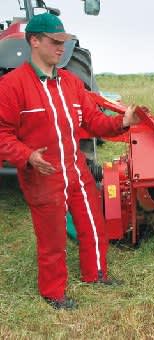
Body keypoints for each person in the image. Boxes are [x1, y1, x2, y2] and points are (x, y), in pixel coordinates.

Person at [0, 13, 140, 309]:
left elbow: (93, 121)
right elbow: (2, 134)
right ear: (34, 42)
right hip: (43, 174)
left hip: (75, 168)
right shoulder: (12, 86)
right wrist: (27, 156)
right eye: (55, 41)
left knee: (93, 223)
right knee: (52, 239)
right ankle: (53, 292)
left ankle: (97, 274)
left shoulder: (72, 83)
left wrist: (121, 122)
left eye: (64, 41)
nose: (62, 47)